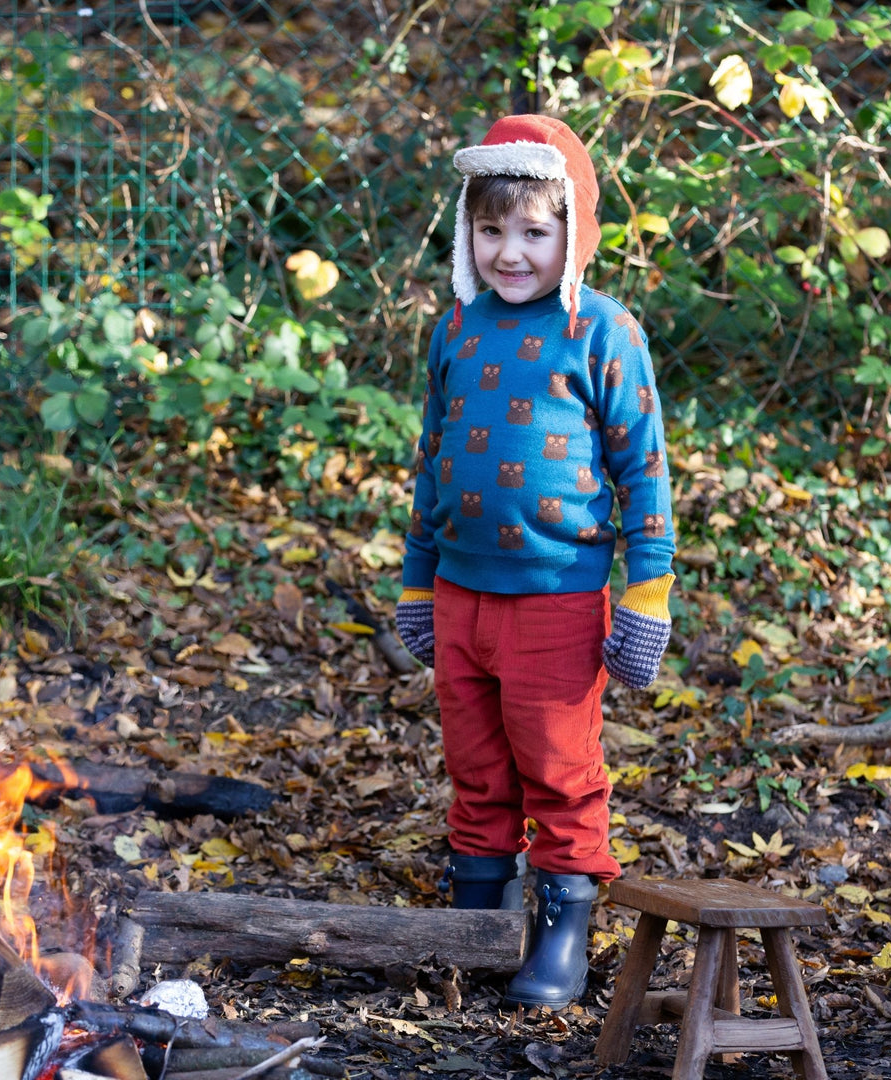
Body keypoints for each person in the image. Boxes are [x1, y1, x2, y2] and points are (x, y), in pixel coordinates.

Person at [395, 114, 676, 1011]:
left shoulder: (604, 332)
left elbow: (646, 471)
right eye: (490, 231)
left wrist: (648, 593)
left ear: (574, 234)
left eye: (534, 232)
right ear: (466, 233)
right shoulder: (456, 329)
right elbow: (433, 460)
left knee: (558, 765)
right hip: (457, 592)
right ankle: (480, 919)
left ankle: (563, 925)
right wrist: (414, 579)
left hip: (558, 597)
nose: (509, 253)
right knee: (476, 766)